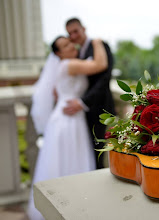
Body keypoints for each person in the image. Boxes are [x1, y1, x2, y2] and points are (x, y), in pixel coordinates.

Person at [28, 37, 108, 220]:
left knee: (69, 161)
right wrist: (96, 42)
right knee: (69, 161)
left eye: (70, 42)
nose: (71, 46)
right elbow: (100, 64)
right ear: (58, 54)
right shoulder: (68, 65)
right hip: (67, 120)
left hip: (72, 117)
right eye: (65, 46)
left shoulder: (67, 65)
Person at [64, 18, 116, 169]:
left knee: (98, 151)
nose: (73, 36)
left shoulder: (99, 46)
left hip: (99, 108)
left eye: (75, 31)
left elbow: (105, 79)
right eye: (69, 33)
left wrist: (83, 102)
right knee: (85, 152)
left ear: (84, 29)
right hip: (81, 113)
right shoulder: (75, 53)